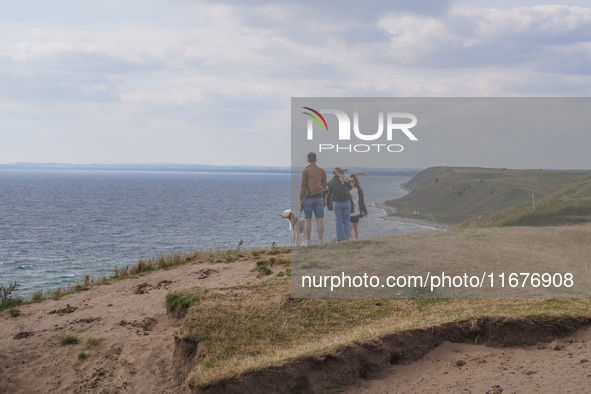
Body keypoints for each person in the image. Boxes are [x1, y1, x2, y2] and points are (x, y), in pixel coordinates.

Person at [299, 152, 327, 245]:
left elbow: (303, 186)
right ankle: (320, 241)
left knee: (308, 219)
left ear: (308, 160)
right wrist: (324, 198)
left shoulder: (305, 171)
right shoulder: (322, 171)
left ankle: (307, 241)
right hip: (319, 197)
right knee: (320, 219)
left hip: (308, 197)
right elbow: (325, 186)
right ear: (316, 159)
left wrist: (300, 199)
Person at [327, 167, 352, 242]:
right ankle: (348, 237)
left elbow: (329, 194)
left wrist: (328, 205)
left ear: (333, 173)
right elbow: (350, 188)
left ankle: (339, 239)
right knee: (347, 220)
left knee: (338, 221)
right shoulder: (345, 180)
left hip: (336, 202)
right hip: (346, 201)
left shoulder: (331, 181)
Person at [348, 174, 368, 240]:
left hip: (357, 212)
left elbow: (362, 202)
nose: (351, 182)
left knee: (355, 226)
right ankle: (351, 240)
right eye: (350, 181)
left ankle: (356, 240)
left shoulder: (358, 191)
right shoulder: (346, 190)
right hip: (349, 211)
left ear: (355, 182)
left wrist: (365, 212)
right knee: (350, 226)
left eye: (353, 181)